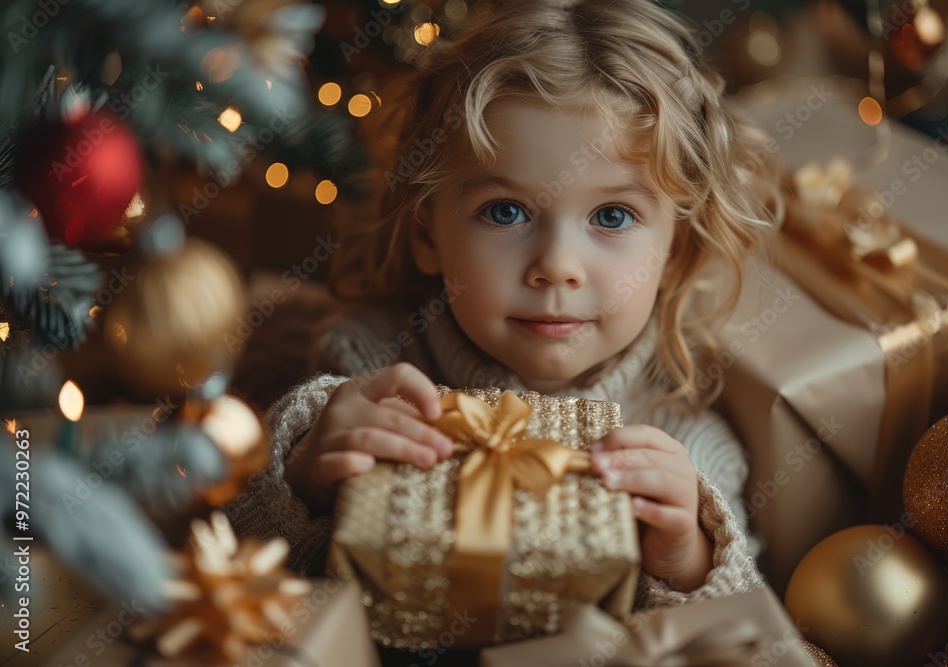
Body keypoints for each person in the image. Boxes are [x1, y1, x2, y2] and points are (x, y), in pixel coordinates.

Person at [227, 0, 777, 615]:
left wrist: (687, 561)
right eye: (505, 211)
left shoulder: (687, 445)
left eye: (612, 216)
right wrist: (303, 483)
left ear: (675, 252)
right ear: (429, 233)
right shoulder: (369, 367)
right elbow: (246, 564)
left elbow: (744, 630)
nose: (556, 265)